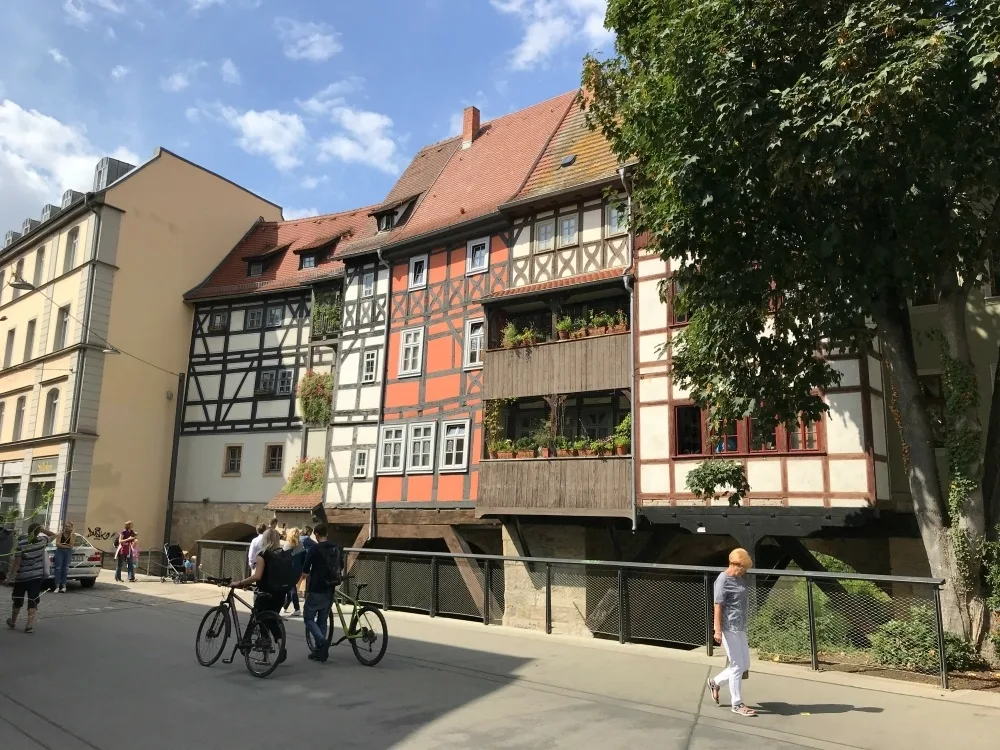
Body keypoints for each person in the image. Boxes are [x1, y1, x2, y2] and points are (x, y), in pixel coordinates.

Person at [707, 548, 756, 717]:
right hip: (729, 627)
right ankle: (737, 704)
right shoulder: (723, 580)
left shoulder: (739, 579)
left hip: (740, 626)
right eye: (743, 567)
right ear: (734, 564)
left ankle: (715, 682)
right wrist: (717, 630)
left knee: (745, 665)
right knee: (736, 666)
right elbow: (718, 605)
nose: (744, 571)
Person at [230, 528, 287, 665]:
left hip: (265, 593)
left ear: (265, 540)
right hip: (280, 594)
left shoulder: (263, 555)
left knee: (261, 621)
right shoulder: (283, 555)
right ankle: (280, 644)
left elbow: (257, 576)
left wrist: (240, 582)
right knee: (271, 620)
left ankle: (266, 657)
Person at [300, 523, 341, 663]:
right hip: (330, 588)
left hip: (317, 587)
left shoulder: (314, 549)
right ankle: (319, 652)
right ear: (326, 533)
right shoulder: (336, 547)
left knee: (308, 618)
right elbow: (340, 565)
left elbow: (305, 570)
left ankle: (322, 642)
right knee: (323, 620)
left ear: (317, 535)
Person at [5, 522, 56, 633]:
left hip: (22, 577)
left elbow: (17, 563)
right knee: (32, 599)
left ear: (28, 531)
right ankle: (29, 625)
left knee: (18, 599)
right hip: (36, 577)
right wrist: (43, 530)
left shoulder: (22, 543)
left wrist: (10, 578)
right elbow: (54, 535)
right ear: (38, 532)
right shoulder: (42, 541)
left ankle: (13, 622)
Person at [280, 527, 304, 617]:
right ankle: (285, 607)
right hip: (298, 569)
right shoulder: (301, 545)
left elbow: (283, 559)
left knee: (291, 588)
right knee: (290, 587)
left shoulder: (287, 545)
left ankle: (297, 608)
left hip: (289, 569)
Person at [54, 520, 75, 593]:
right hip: (59, 552)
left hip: (68, 553)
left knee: (65, 569)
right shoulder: (60, 534)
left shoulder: (73, 535)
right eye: (66, 526)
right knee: (58, 568)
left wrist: (71, 534)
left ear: (71, 528)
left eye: (69, 527)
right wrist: (66, 546)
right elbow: (57, 544)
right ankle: (57, 586)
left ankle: (64, 586)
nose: (67, 528)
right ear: (64, 527)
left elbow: (71, 545)